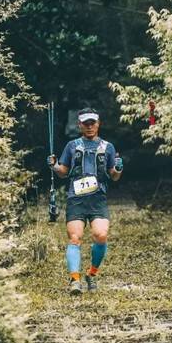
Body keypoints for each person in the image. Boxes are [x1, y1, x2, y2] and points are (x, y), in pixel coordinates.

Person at [47, 107, 123, 294]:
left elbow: (114, 176)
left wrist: (118, 169)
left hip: (98, 199)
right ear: (79, 125)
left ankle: (92, 274)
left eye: (92, 123)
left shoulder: (108, 147)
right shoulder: (72, 146)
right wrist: (54, 166)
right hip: (76, 199)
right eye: (85, 123)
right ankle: (75, 280)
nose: (89, 127)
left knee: (101, 235)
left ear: (98, 124)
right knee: (75, 238)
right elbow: (63, 172)